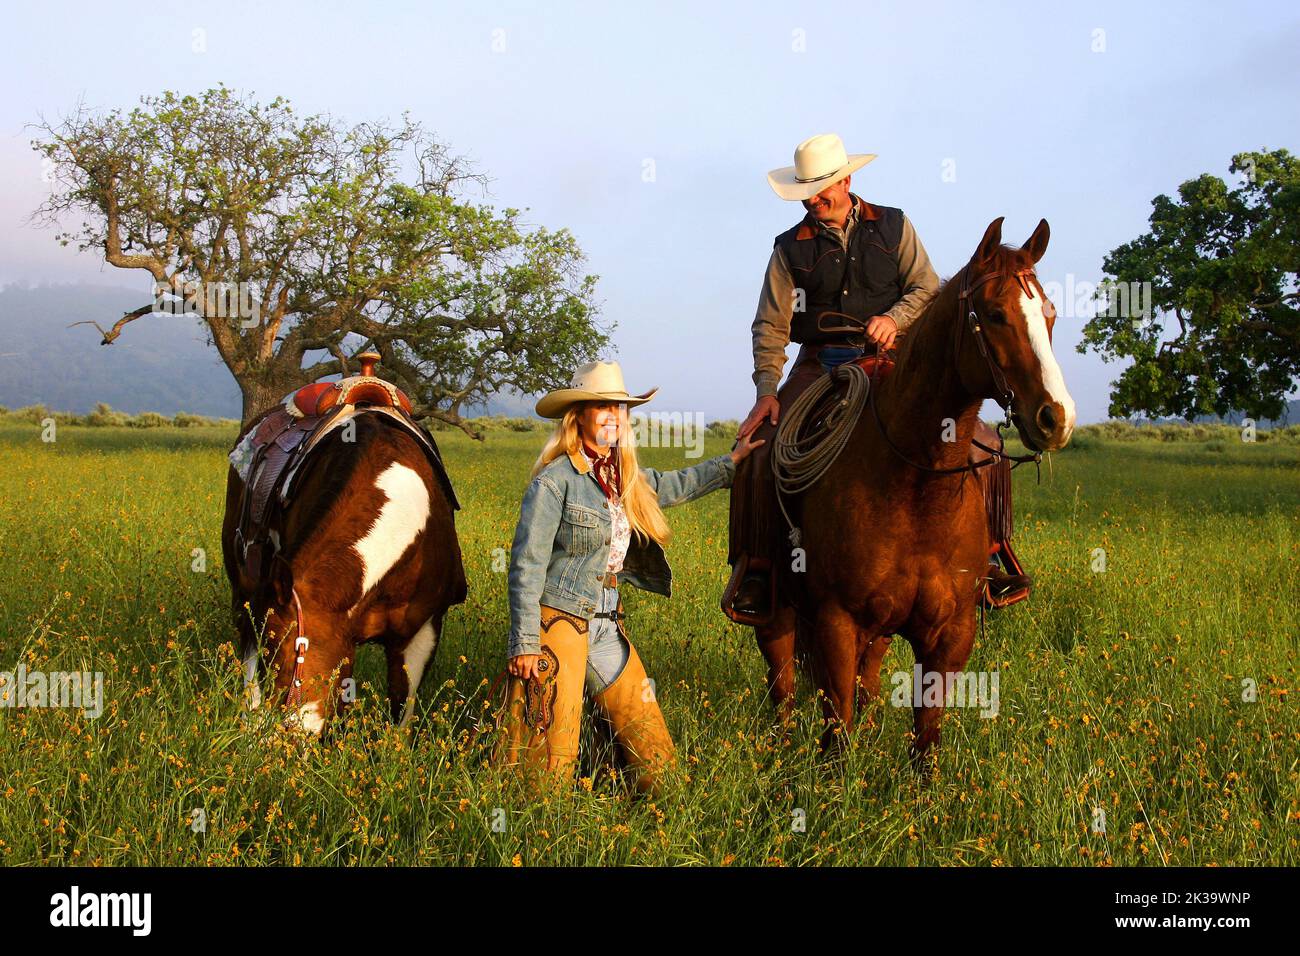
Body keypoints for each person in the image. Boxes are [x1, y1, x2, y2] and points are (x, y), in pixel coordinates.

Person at [725, 132, 1030, 623]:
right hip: (820, 363)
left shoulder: (894, 225)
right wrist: (766, 390)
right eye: (805, 190)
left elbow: (927, 288)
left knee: (985, 444)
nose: (813, 198)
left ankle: (991, 557)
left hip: (895, 360)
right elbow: (771, 324)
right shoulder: (789, 247)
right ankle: (760, 570)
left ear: (847, 179)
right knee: (763, 449)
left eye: (822, 187)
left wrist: (895, 318)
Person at [497, 360, 763, 795]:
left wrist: (732, 464)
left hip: (606, 625)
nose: (614, 417)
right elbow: (526, 566)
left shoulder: (623, 477)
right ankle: (535, 827)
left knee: (654, 752)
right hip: (557, 621)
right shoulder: (554, 481)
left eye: (620, 408)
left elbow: (674, 483)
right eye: (602, 407)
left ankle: (650, 811)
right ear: (578, 415)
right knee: (548, 762)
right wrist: (524, 644)